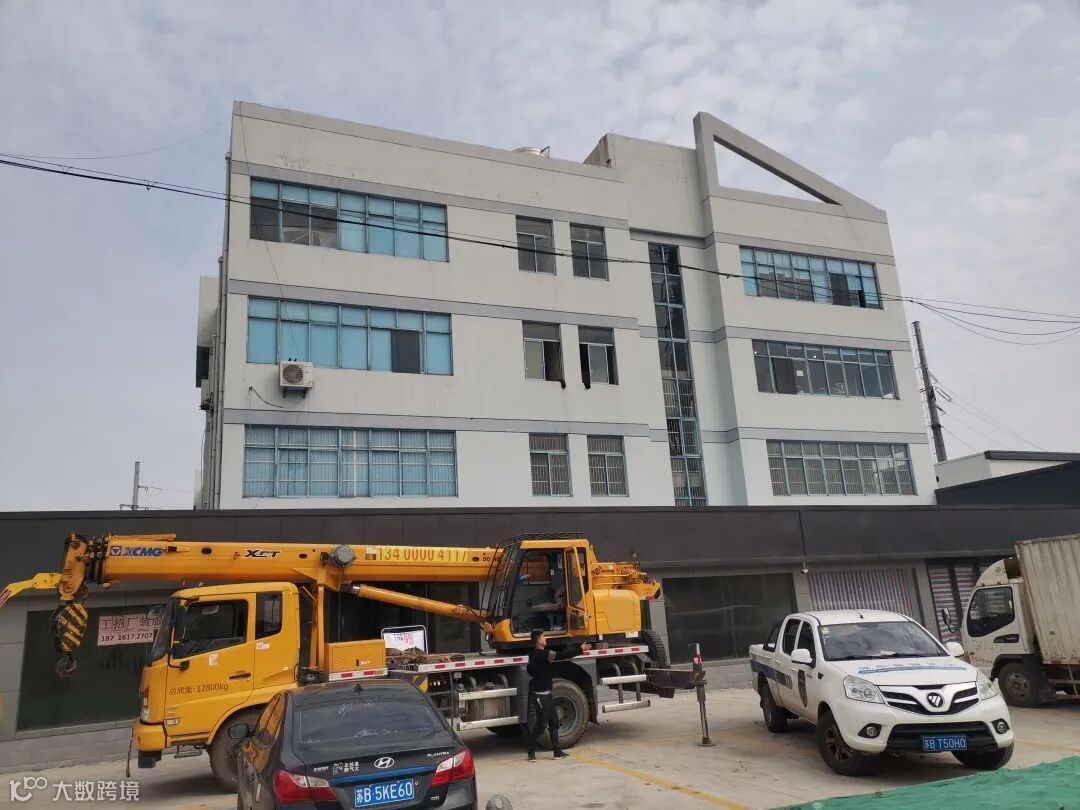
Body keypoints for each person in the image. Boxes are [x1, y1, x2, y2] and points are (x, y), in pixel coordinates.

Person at [525, 628, 590, 761]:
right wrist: (580, 649)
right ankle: (531, 751)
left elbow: (530, 670)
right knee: (541, 725)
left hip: (548, 693)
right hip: (539, 695)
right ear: (538, 640)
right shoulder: (544, 654)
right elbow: (562, 655)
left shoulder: (533, 654)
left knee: (554, 722)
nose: (545, 639)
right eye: (543, 637)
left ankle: (557, 752)